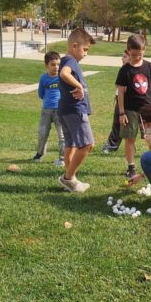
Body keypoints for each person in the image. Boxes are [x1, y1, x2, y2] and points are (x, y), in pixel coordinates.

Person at [115, 34, 151, 181]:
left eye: (139, 55)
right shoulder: (125, 70)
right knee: (130, 139)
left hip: (148, 110)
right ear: (128, 51)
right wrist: (122, 113)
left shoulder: (149, 67)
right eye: (133, 55)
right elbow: (120, 92)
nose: (136, 57)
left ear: (144, 50)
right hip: (130, 110)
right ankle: (131, 167)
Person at [57, 27, 95, 192]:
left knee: (71, 145)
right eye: (84, 49)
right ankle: (68, 178)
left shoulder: (67, 60)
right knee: (87, 144)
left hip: (66, 110)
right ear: (74, 46)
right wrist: (79, 85)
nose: (86, 53)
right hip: (75, 110)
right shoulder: (70, 61)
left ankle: (70, 180)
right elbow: (64, 74)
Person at [34, 50, 65, 166]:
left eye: (58, 64)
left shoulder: (63, 77)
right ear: (46, 65)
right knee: (43, 133)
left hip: (60, 110)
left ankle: (62, 158)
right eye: (53, 64)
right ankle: (40, 153)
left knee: (62, 135)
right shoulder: (43, 78)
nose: (56, 67)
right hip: (46, 110)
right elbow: (40, 94)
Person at [102, 48, 130, 153]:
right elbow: (117, 85)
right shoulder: (123, 69)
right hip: (120, 100)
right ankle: (112, 145)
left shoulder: (132, 70)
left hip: (130, 102)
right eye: (122, 56)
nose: (122, 58)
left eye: (125, 56)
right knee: (117, 123)